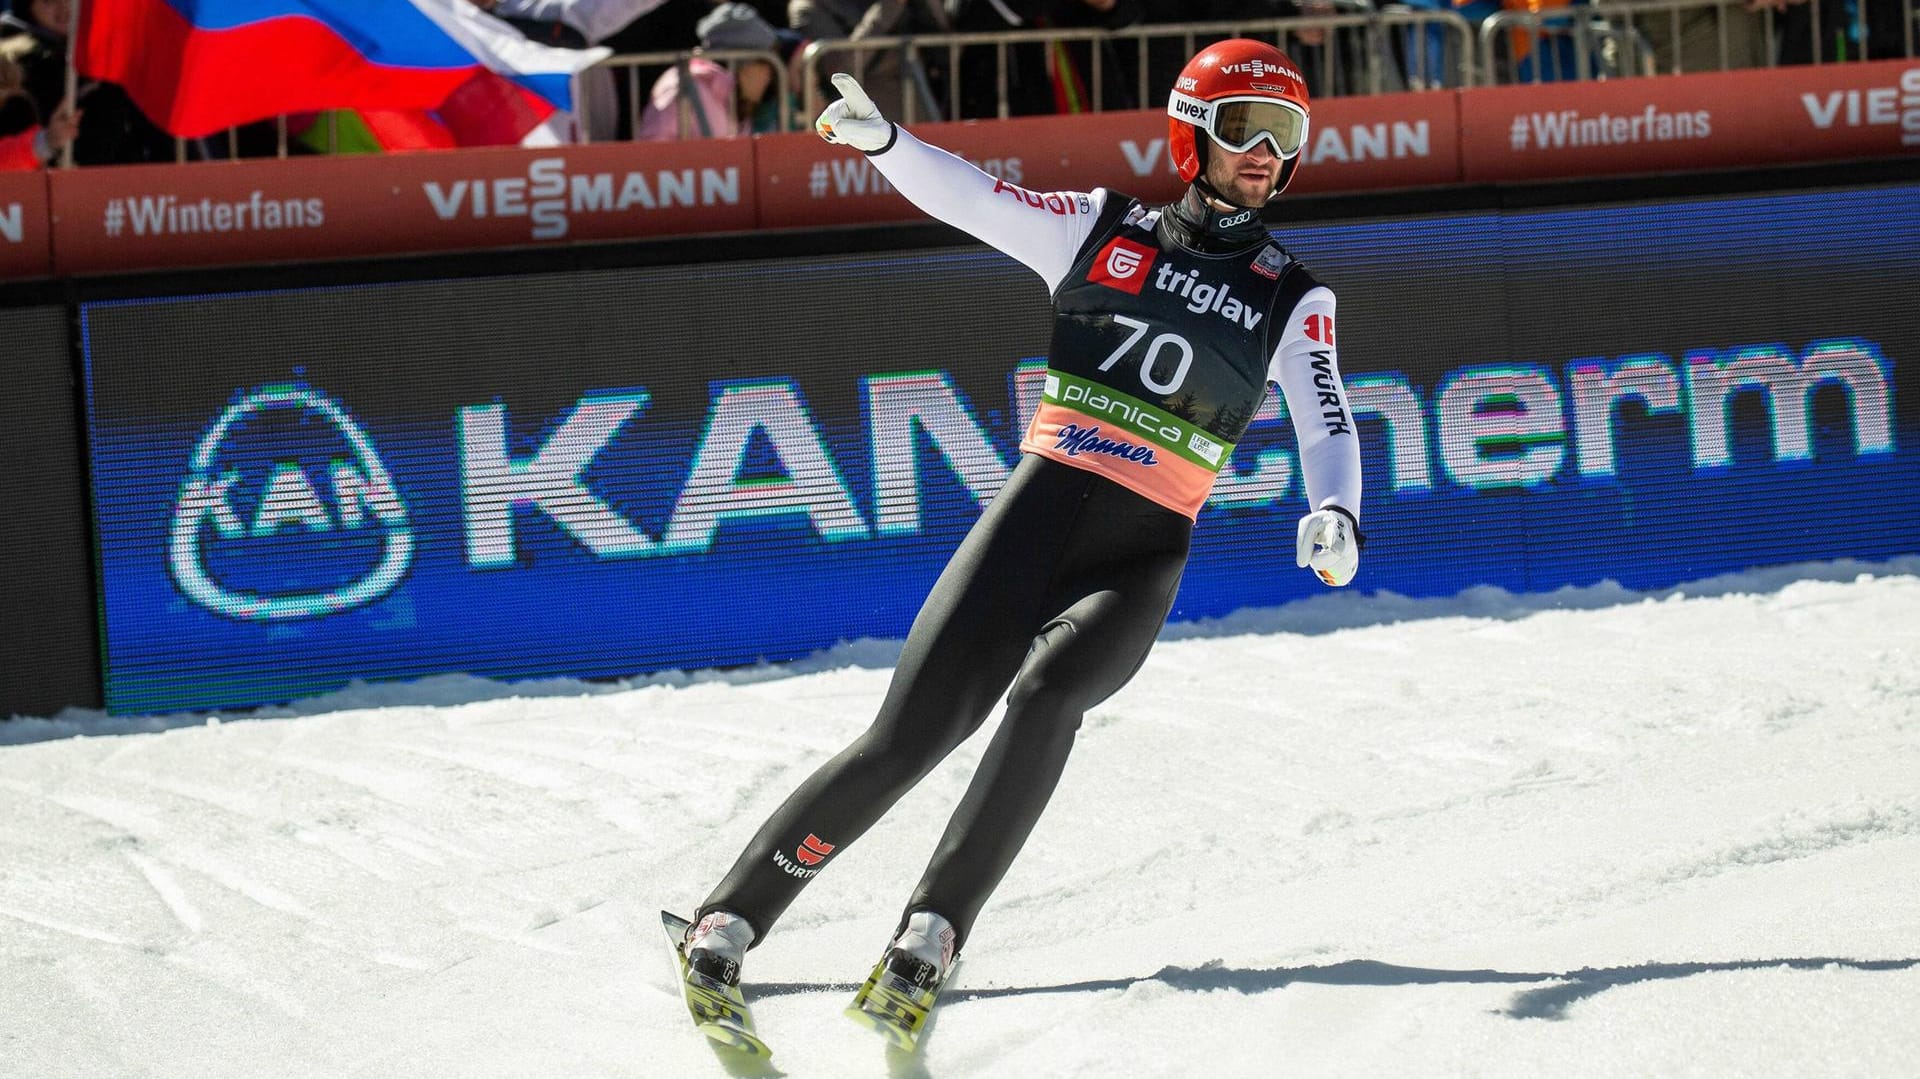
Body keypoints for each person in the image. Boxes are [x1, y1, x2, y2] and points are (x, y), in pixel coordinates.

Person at [677, 38, 1364, 993]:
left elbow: (1326, 416)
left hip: (1140, 557)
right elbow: (978, 198)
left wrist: (1337, 507)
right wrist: (888, 145)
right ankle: (736, 910)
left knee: (1048, 702)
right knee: (913, 733)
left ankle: (934, 926)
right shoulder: (1099, 229)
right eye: (1246, 127)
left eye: (1284, 134)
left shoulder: (1295, 296)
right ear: (1192, 135)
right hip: (1032, 519)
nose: (1266, 152)